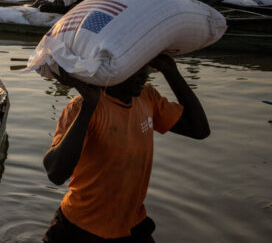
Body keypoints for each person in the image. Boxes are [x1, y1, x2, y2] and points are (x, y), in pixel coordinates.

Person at [43, 54, 210, 242]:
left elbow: (199, 130)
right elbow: (55, 173)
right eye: (134, 68)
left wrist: (171, 71)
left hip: (131, 226)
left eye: (144, 67)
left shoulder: (147, 97)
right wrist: (89, 106)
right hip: (80, 229)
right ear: (110, 69)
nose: (143, 75)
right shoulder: (82, 106)